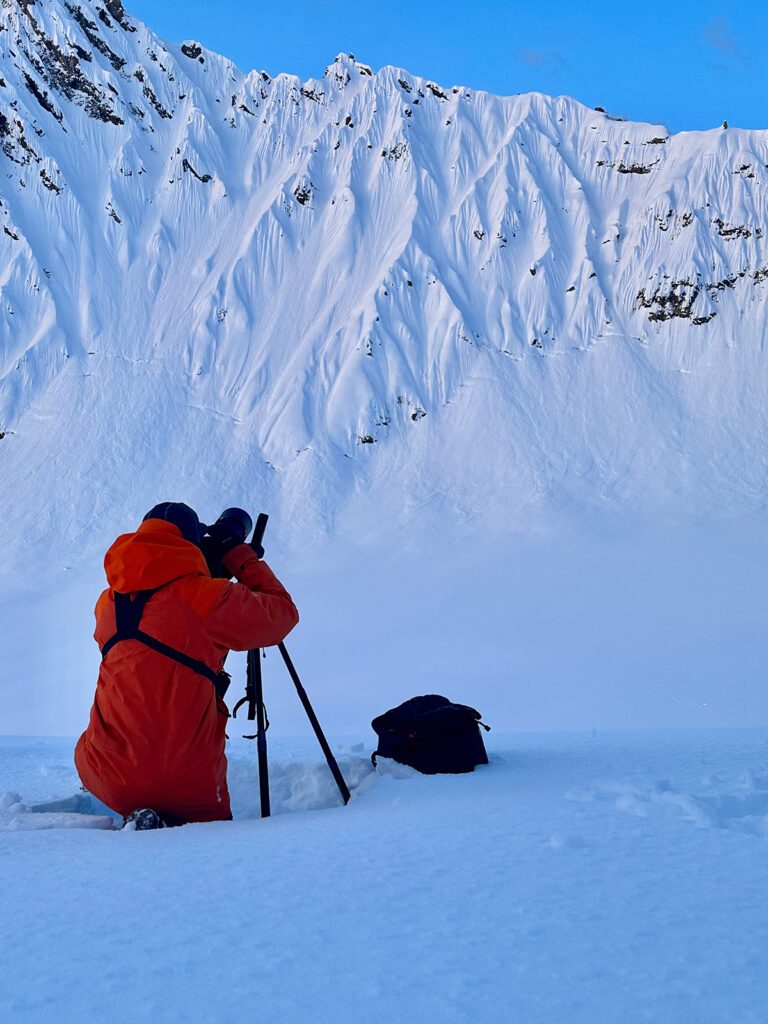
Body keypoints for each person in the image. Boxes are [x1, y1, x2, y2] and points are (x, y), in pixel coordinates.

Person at [75, 502, 298, 828]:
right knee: (198, 805)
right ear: (191, 543)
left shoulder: (108, 604)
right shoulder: (206, 598)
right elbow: (282, 614)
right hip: (188, 788)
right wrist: (240, 558)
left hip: (106, 774)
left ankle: (130, 806)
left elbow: (159, 638)